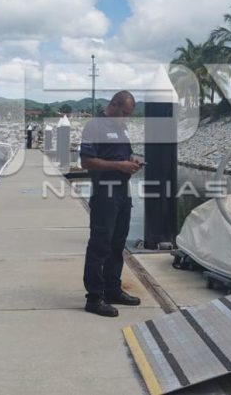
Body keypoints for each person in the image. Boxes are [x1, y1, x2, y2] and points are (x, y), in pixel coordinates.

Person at [80, 91, 143, 317]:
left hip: (122, 192)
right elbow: (86, 161)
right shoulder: (94, 126)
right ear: (113, 105)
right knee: (100, 245)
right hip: (105, 192)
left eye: (129, 114)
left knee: (118, 244)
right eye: (124, 113)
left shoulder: (121, 128)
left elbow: (120, 156)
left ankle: (112, 289)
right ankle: (94, 298)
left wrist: (131, 162)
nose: (126, 118)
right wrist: (119, 166)